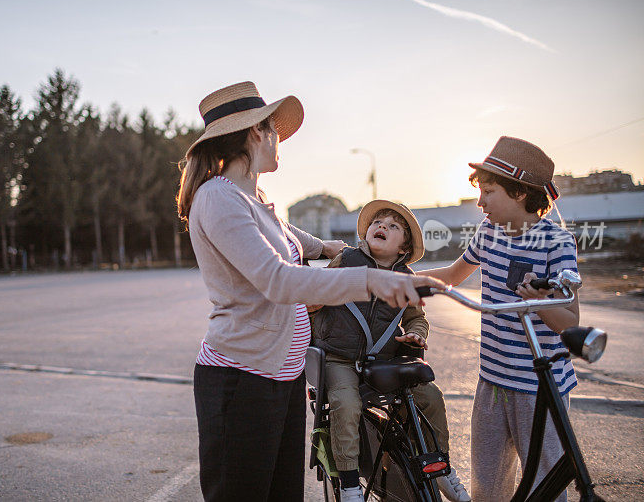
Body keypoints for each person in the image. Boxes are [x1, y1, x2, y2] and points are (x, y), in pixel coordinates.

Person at [176, 81, 444, 502]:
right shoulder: (217, 199)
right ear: (255, 133)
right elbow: (278, 279)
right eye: (274, 131)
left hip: (281, 376)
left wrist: (329, 248)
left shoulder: (253, 197)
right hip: (240, 379)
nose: (279, 141)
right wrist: (371, 279)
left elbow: (286, 235)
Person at [419, 136, 580, 501]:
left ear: (520, 193)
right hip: (491, 381)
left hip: (540, 388)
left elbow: (570, 322)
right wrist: (396, 279)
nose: (480, 202)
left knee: (546, 486)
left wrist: (539, 302)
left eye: (489, 192)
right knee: (488, 485)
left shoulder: (557, 242)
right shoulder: (489, 233)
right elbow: (453, 275)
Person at [309, 199, 470, 502]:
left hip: (383, 360)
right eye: (377, 222)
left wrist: (415, 335)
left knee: (431, 396)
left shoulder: (405, 277)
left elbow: (416, 317)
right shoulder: (346, 259)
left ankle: (442, 467)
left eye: (392, 226)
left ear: (403, 248)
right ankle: (349, 485)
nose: (381, 226)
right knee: (345, 402)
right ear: (367, 232)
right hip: (338, 356)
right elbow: (316, 294)